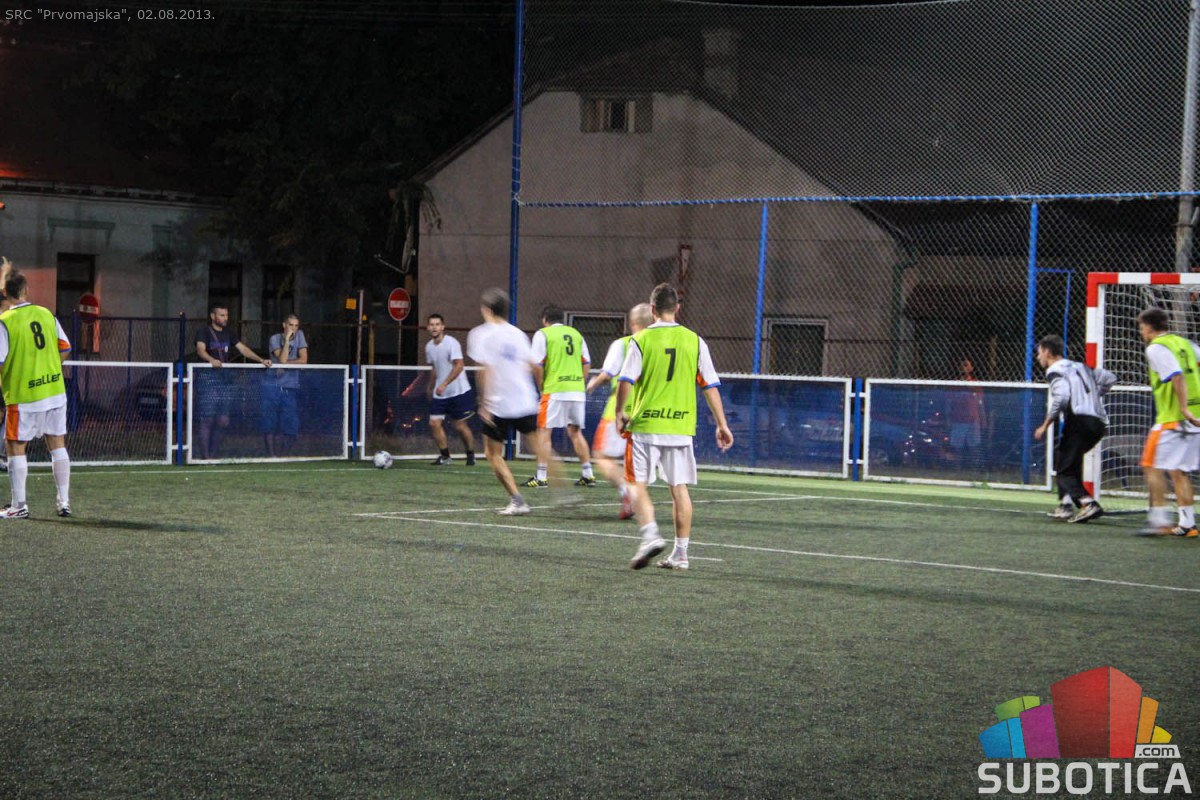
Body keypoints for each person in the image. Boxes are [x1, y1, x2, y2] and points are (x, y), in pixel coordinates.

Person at [616, 283, 734, 570]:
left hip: (647, 426)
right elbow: (710, 386)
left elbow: (626, 380)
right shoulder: (695, 341)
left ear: (652, 309)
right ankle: (681, 554)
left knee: (636, 484)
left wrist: (620, 412)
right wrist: (722, 424)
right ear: (677, 308)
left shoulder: (641, 340)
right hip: (680, 427)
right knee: (679, 488)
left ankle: (650, 536)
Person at [467, 288, 564, 515]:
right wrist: (538, 389)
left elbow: (485, 370)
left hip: (499, 403)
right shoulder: (518, 334)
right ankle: (565, 491)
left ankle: (518, 501)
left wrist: (484, 403)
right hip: (524, 399)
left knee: (493, 454)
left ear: (487, 310)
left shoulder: (481, 334)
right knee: (541, 447)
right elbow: (532, 366)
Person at [0, 270, 73, 518]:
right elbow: (65, 347)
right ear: (26, 290)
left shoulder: (5, 321)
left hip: (24, 396)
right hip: (54, 391)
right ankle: (64, 502)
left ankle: (19, 506)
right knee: (57, 444)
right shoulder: (46, 313)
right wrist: (49, 368)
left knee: (15, 445)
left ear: (4, 293)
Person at [1033, 334, 1116, 523]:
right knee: (1067, 459)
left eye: (1039, 353)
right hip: (1098, 424)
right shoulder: (1081, 366)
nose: (1038, 357)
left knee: (1064, 469)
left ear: (1047, 352)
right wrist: (1095, 395)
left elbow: (1062, 397)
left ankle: (1087, 503)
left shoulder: (1055, 370)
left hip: (1079, 421)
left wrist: (1045, 424)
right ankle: (1065, 504)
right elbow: (1110, 378)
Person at [1135, 307, 1200, 537]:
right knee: (1178, 470)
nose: (1141, 332)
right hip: (1196, 417)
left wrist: (1183, 408)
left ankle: (1159, 521)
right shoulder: (1186, 344)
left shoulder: (1156, 348)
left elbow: (1177, 376)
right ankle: (1187, 524)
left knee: (1150, 465)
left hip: (1173, 419)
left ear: (1149, 327)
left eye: (1141, 327)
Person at [585, 302, 652, 520]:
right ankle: (639, 501)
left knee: (601, 455)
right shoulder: (660, 345)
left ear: (632, 323)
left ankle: (627, 493)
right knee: (638, 464)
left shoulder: (623, 344)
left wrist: (593, 384)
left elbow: (608, 373)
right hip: (649, 413)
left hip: (621, 410)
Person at [525, 305, 595, 488]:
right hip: (576, 390)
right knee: (575, 432)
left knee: (544, 431)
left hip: (555, 389)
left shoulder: (543, 334)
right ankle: (588, 474)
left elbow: (537, 365)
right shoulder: (576, 334)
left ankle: (541, 477)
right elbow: (586, 362)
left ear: (545, 319)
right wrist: (580, 383)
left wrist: (542, 387)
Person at [194, 303, 272, 460]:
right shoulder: (204, 332)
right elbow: (200, 350)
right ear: (213, 316)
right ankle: (205, 457)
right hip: (208, 379)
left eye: (227, 315)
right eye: (222, 315)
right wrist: (211, 359)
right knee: (207, 419)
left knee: (223, 420)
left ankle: (213, 455)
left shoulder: (229, 332)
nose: (225, 318)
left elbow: (243, 349)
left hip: (225, 380)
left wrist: (260, 359)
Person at [403, 313, 476, 466]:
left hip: (459, 391)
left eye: (437, 324)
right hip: (440, 393)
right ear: (428, 327)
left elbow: (459, 366)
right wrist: (431, 386)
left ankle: (470, 455)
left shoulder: (452, 343)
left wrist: (445, 384)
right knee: (434, 423)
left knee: (460, 426)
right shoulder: (429, 347)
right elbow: (435, 368)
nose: (434, 327)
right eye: (432, 324)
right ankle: (445, 457)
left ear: (443, 327)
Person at [260, 314, 308, 457]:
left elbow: (304, 359)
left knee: (292, 424)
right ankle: (271, 456)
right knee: (269, 423)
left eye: (296, 326)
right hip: (271, 386)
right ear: (284, 325)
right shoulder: (274, 339)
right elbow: (281, 359)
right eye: (291, 325)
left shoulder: (300, 336)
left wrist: (286, 365)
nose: (294, 328)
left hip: (290, 387)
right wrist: (287, 341)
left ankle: (283, 455)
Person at [948, 357, 986, 469]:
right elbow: (949, 403)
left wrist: (983, 419)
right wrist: (948, 418)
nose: (963, 367)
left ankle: (975, 469)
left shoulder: (976, 384)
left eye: (966, 365)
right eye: (962, 365)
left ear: (971, 368)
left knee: (974, 447)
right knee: (957, 448)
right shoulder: (954, 385)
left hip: (972, 421)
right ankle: (957, 470)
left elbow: (980, 403)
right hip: (958, 421)